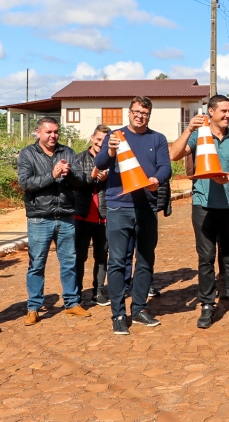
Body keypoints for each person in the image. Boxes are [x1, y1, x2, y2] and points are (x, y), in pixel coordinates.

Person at [170, 95, 229, 328]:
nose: (228, 115)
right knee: (206, 258)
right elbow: (173, 155)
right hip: (202, 206)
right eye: (223, 111)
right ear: (211, 112)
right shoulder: (199, 135)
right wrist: (189, 129)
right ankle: (207, 305)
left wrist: (226, 177)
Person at [94, 96, 172, 335]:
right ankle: (118, 314)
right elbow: (100, 163)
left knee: (146, 260)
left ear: (149, 115)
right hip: (119, 206)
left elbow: (165, 167)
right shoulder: (115, 136)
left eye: (145, 113)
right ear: (129, 113)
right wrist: (110, 149)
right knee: (117, 261)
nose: (140, 116)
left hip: (146, 206)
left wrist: (156, 179)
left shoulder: (157, 138)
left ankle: (138, 308)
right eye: (136, 112)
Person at [18, 116, 90, 325]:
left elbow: (81, 181)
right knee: (37, 263)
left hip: (66, 215)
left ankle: (72, 303)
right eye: (48, 132)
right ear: (38, 132)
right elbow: (26, 184)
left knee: (69, 262)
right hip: (40, 217)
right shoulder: (27, 154)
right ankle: (34, 307)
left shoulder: (67, 152)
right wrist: (52, 174)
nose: (53, 136)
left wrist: (69, 174)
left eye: (56, 132)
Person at [74, 124, 110, 306]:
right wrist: (93, 175)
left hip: (104, 215)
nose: (101, 144)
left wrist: (107, 179)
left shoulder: (113, 160)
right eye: (98, 139)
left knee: (102, 256)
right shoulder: (79, 158)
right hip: (82, 214)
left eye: (105, 141)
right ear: (92, 138)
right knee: (79, 256)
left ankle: (98, 291)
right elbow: (76, 182)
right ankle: (77, 293)